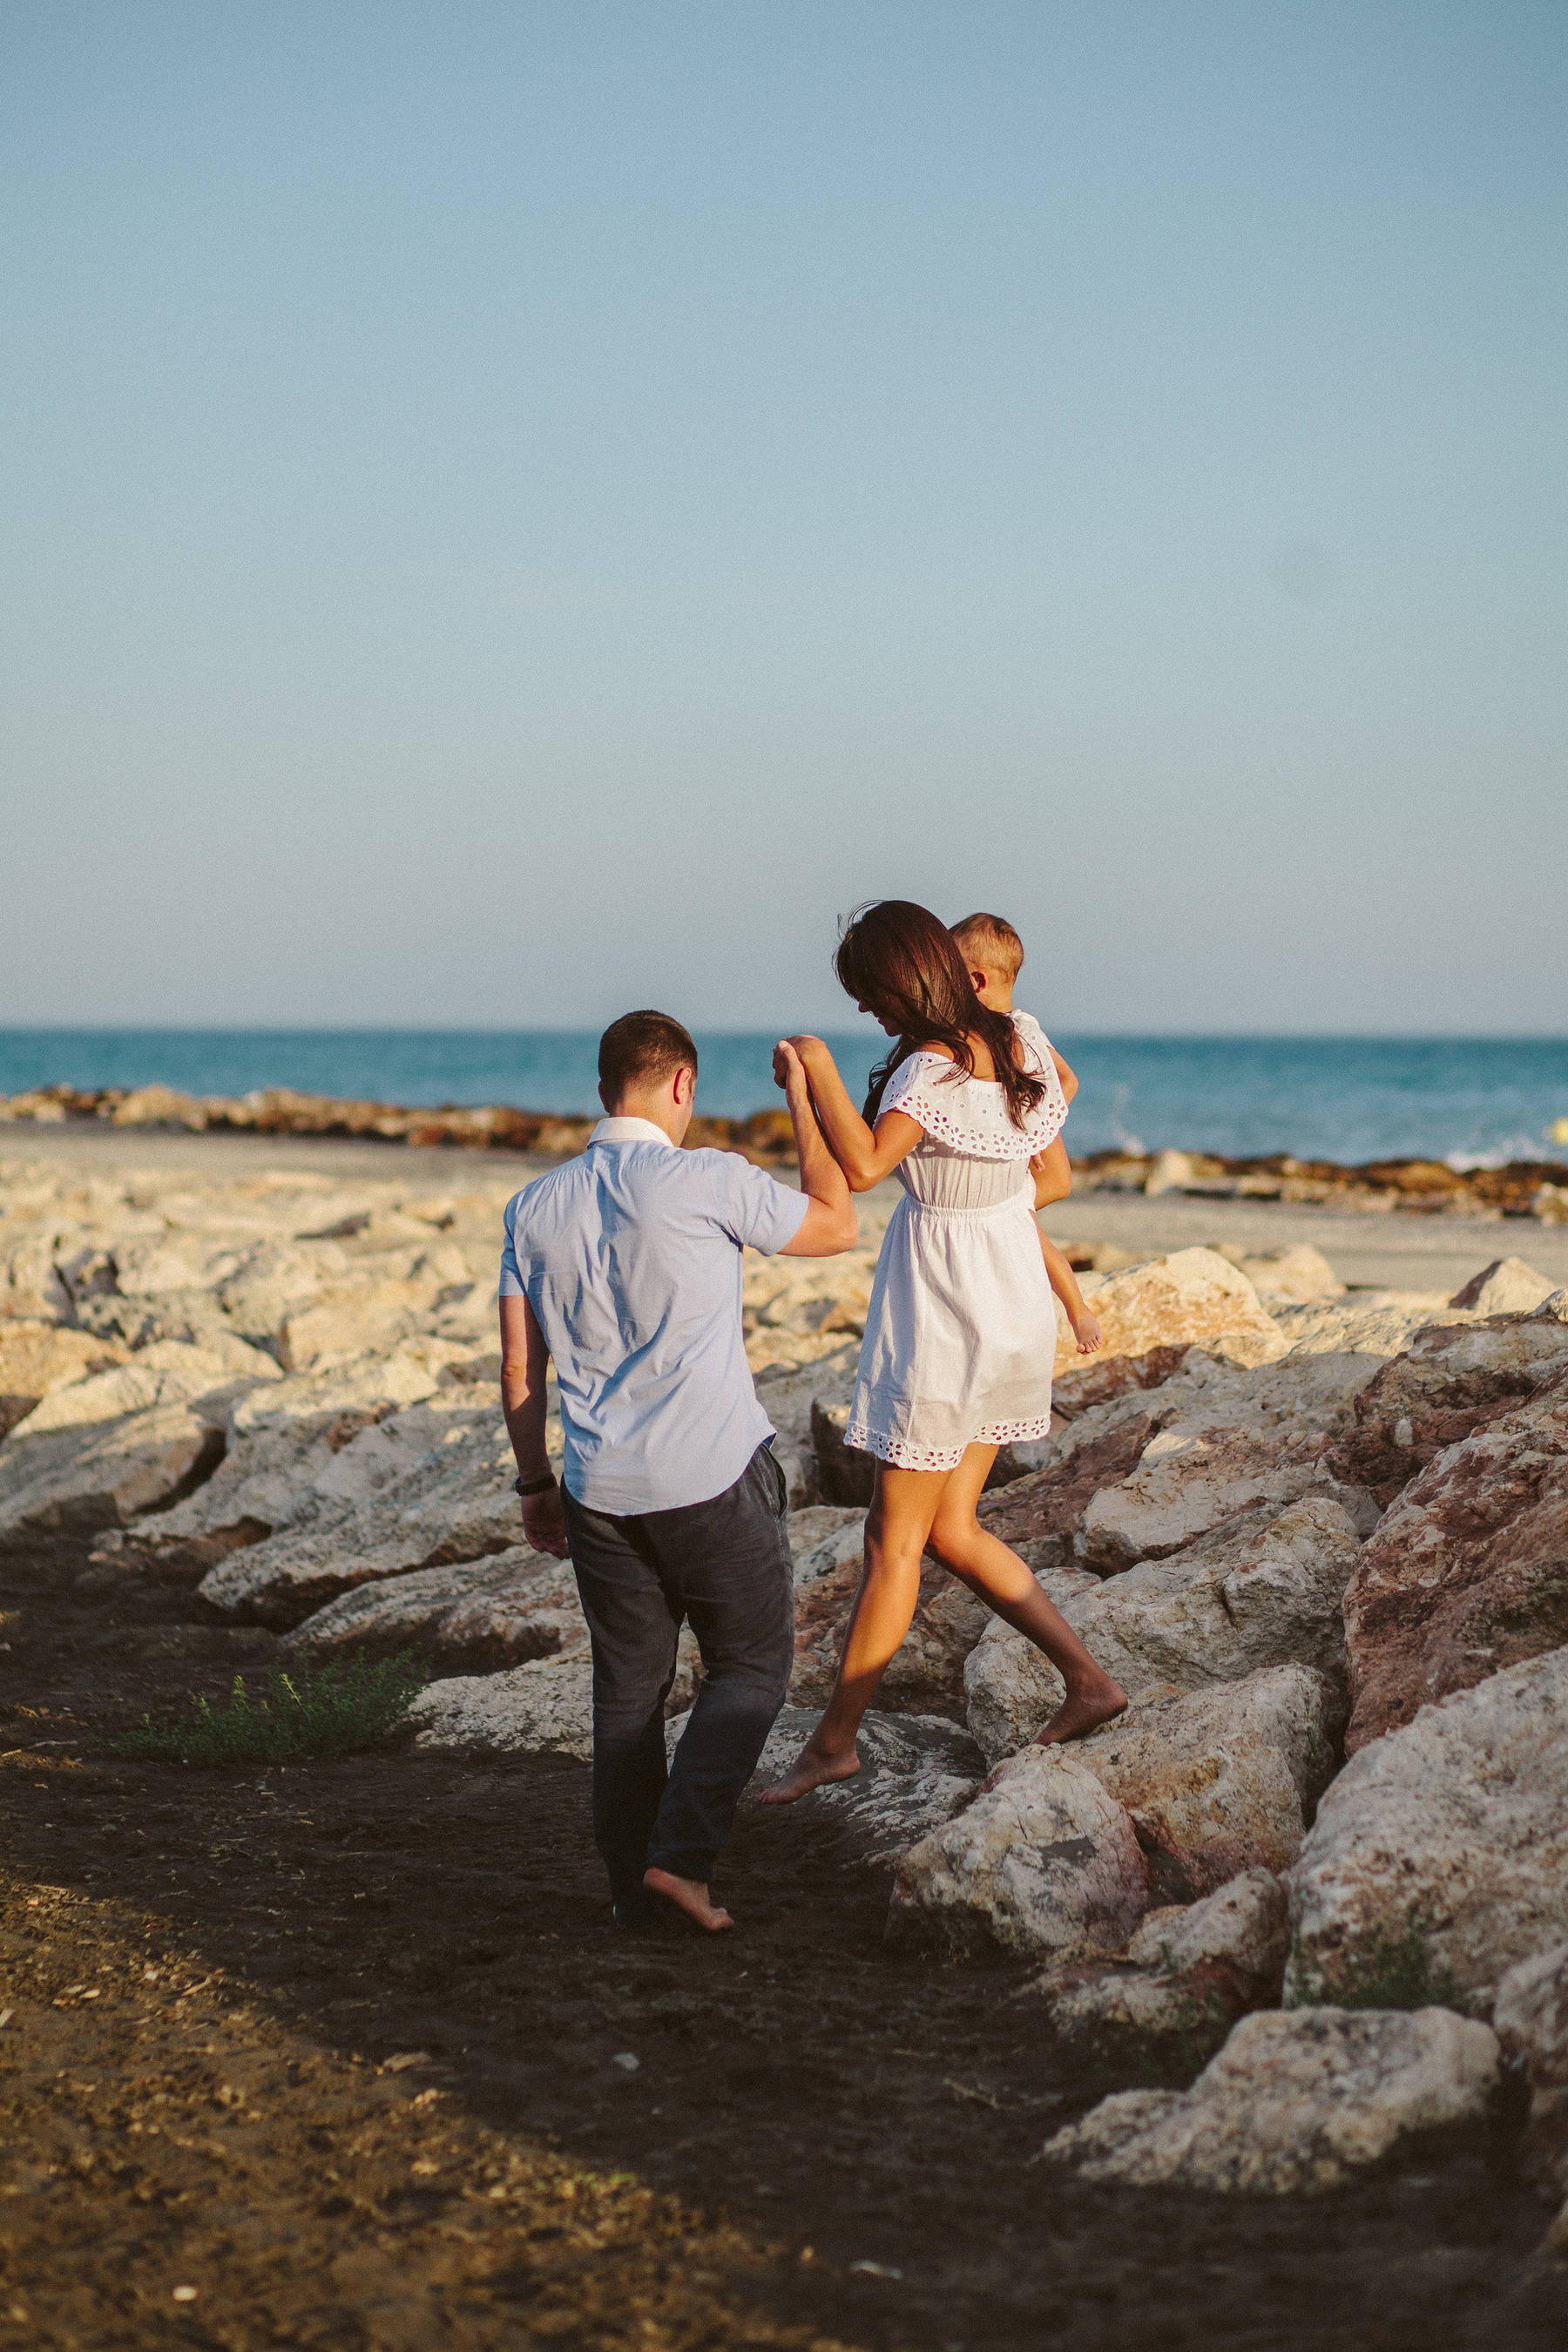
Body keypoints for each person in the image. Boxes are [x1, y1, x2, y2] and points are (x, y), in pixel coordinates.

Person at [760, 902, 1127, 1808]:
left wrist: (812, 1069)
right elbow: (1054, 1144)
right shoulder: (1018, 1044)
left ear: (903, 980)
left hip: (946, 1307)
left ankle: (832, 1747)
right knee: (952, 1530)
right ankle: (1090, 1683)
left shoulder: (927, 1066)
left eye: (869, 995)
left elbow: (865, 1168)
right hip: (1009, 1299)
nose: (865, 1015)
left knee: (893, 1542)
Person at [498, 1010, 859, 1932]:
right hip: (709, 1476)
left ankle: (631, 1889)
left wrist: (535, 1485)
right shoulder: (706, 1179)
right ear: (684, 1086)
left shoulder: (532, 1208)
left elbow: (518, 1371)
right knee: (750, 1668)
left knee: (627, 1691)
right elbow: (834, 1225)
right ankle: (681, 1863)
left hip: (596, 1490)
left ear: (604, 1088)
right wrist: (804, 1100)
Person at [950, 911, 1103, 1358]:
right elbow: (1065, 1082)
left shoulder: (1003, 1033)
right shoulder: (1018, 1029)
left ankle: (1076, 1309)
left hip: (1030, 1149)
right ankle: (1073, 1308)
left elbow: (1065, 1082)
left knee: (1013, 1222)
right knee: (1018, 1224)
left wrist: (1032, 1134)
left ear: (976, 981)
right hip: (1029, 1146)